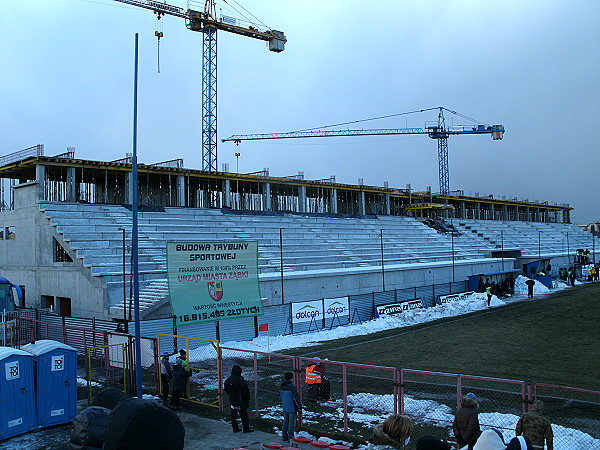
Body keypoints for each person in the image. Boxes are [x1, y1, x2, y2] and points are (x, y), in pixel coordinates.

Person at [224, 364, 253, 433]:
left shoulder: (228, 379)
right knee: (244, 415)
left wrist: (230, 395)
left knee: (233, 415)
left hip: (232, 400)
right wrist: (247, 398)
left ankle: (235, 427)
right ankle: (246, 428)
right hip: (241, 401)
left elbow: (226, 389)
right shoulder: (240, 380)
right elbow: (245, 390)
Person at [279, 372, 302, 443]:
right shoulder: (292, 387)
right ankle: (291, 438)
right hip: (292, 408)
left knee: (285, 421)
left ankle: (284, 437)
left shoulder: (282, 386)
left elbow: (280, 397)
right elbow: (296, 398)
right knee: (291, 423)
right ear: (291, 378)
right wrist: (299, 407)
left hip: (285, 406)